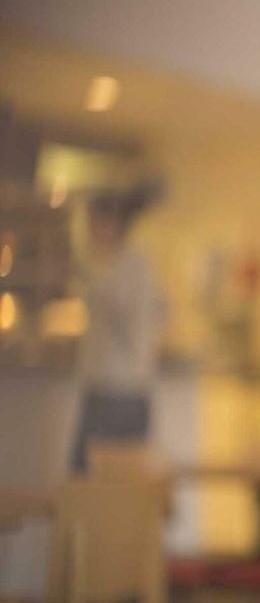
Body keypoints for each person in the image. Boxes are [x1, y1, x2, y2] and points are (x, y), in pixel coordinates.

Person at [70, 178, 166, 474]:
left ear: (111, 224)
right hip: (124, 392)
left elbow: (127, 316)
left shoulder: (125, 269)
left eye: (93, 222)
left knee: (96, 489)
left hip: (116, 393)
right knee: (115, 490)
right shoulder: (127, 266)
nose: (88, 231)